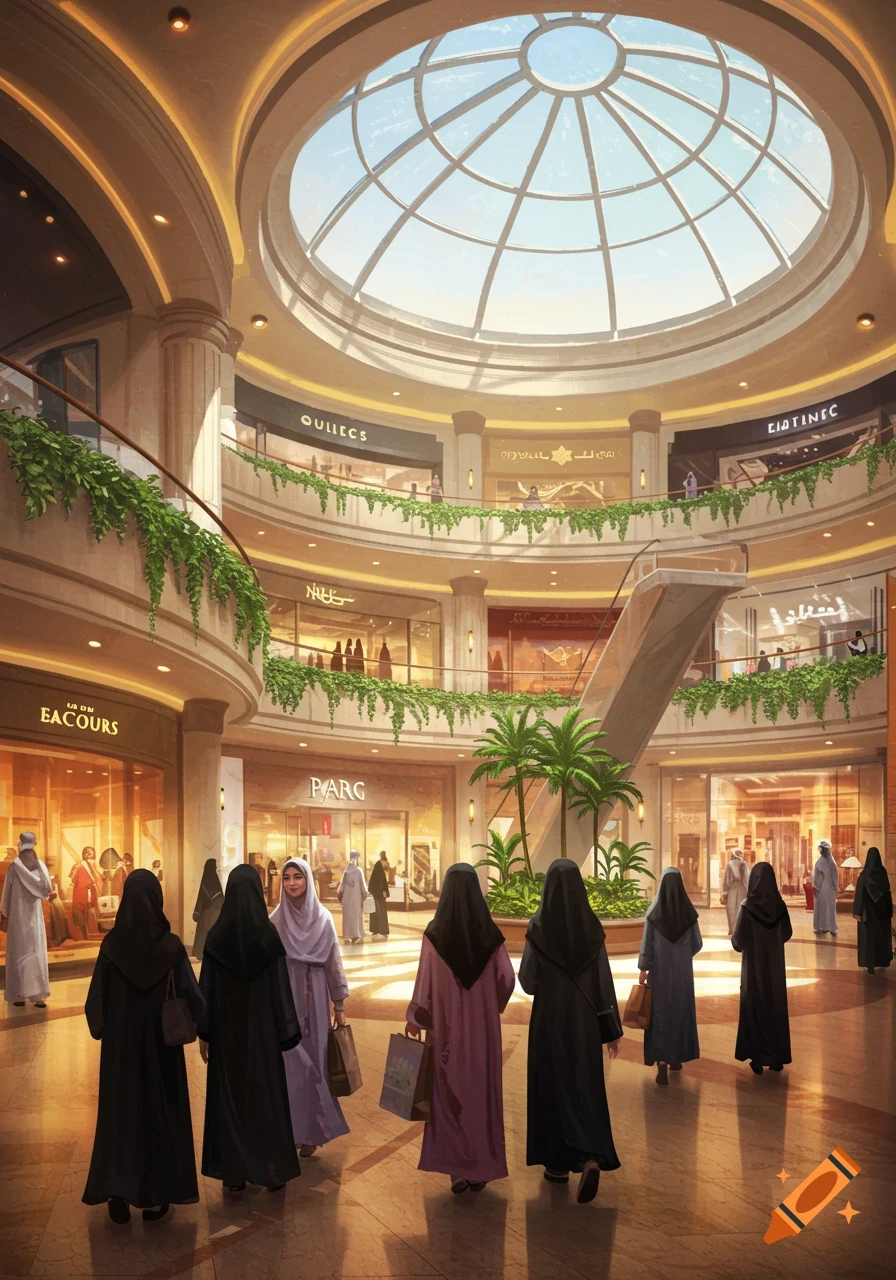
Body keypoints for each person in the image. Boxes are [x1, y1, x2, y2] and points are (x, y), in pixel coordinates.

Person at [82, 870, 204, 1224]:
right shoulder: (171, 947)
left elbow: (95, 1004)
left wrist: (104, 1029)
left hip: (121, 1053)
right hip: (161, 1051)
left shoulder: (112, 946)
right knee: (158, 1115)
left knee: (121, 1117)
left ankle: (117, 1193)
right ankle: (155, 1197)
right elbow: (193, 1000)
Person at [405, 863, 515, 1194]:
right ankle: (481, 1168)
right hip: (483, 1034)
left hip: (446, 1032)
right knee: (482, 1096)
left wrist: (416, 1018)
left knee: (449, 1096)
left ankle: (456, 1169)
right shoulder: (490, 935)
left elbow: (424, 983)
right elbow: (507, 979)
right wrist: (491, 1005)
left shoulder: (434, 934)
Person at [518, 860, 622, 1205]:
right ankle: (589, 1156)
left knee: (551, 1087)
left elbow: (528, 982)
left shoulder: (539, 927)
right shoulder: (592, 930)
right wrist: (611, 1029)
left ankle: (557, 1166)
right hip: (584, 1025)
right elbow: (603, 982)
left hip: (549, 1023)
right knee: (583, 1087)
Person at [198, 865, 302, 1195]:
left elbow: (207, 994)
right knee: (265, 1099)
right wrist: (286, 1034)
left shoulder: (216, 938)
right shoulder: (268, 938)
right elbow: (281, 993)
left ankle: (234, 1174)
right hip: (263, 1038)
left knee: (230, 1101)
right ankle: (272, 1171)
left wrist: (205, 1034)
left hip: (227, 1039)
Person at [270, 858, 350, 1158]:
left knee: (316, 1060)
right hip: (286, 998)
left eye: (298, 877)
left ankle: (312, 1132)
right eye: (287, 877)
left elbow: (333, 963)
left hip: (316, 999)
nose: (292, 883)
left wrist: (339, 1005)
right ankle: (289, 1130)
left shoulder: (324, 918)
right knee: (290, 1064)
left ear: (308, 881)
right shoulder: (275, 921)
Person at [637, 867, 701, 1087]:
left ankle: (662, 1062)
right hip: (682, 976)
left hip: (660, 975)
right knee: (680, 1012)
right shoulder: (689, 914)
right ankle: (677, 1059)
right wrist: (682, 957)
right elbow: (697, 944)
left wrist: (644, 968)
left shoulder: (653, 913)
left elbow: (646, 945)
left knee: (661, 1014)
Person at [732, 863, 792, 1075]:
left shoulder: (748, 906)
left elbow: (738, 942)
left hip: (754, 970)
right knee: (774, 1008)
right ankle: (776, 1057)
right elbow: (786, 933)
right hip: (775, 971)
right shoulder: (780, 905)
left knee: (754, 1007)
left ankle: (757, 1058)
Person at [1, 832, 51, 1008]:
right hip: (34, 917)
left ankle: (18, 995)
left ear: (19, 844)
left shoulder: (14, 868)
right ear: (34, 844)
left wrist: (4, 913)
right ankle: (38, 996)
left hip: (17, 917)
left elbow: (7, 893)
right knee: (35, 951)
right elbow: (47, 890)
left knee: (17, 952)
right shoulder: (41, 867)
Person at [852, 847, 892, 974]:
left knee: (868, 939)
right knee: (881, 937)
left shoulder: (864, 876)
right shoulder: (883, 873)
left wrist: (857, 912)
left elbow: (859, 895)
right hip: (882, 914)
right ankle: (882, 960)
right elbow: (887, 893)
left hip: (867, 913)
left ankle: (869, 964)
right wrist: (889, 911)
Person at [192, 858, 224, 959]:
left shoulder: (206, 878)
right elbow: (219, 897)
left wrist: (198, 910)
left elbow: (201, 897)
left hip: (206, 913)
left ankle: (201, 953)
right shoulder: (214, 879)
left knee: (203, 934)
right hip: (214, 913)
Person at [70, 846, 101, 940]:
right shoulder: (78, 866)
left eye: (92, 855)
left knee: (90, 920)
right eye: (89, 854)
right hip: (80, 897)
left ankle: (88, 937)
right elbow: (72, 882)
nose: (92, 857)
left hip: (90, 897)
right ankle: (82, 938)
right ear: (85, 855)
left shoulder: (93, 866)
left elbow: (97, 878)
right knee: (80, 920)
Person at [337, 851, 367, 943]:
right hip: (356, 898)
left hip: (346, 899)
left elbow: (341, 887)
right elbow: (363, 886)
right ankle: (356, 933)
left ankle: (347, 934)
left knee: (347, 917)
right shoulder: (358, 871)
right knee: (356, 916)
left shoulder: (346, 871)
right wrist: (365, 894)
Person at [812, 839, 839, 936]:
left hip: (822, 887)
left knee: (822, 907)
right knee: (830, 908)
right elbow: (835, 876)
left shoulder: (820, 862)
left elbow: (818, 877)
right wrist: (835, 886)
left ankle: (822, 927)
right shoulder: (832, 861)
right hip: (830, 887)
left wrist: (816, 887)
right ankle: (832, 928)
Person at [721, 848, 750, 935]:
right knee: (741, 909)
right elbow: (747, 879)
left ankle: (732, 930)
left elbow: (727, 880)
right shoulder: (744, 864)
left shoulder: (730, 865)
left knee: (731, 909)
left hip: (732, 889)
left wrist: (725, 891)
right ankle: (741, 930)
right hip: (743, 889)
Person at [368, 851, 391, 939]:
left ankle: (378, 929)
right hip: (377, 896)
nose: (386, 864)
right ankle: (380, 929)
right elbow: (379, 883)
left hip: (379, 896)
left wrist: (384, 891)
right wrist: (382, 891)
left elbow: (382, 883)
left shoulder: (379, 869)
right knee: (379, 912)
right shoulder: (379, 869)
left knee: (378, 913)